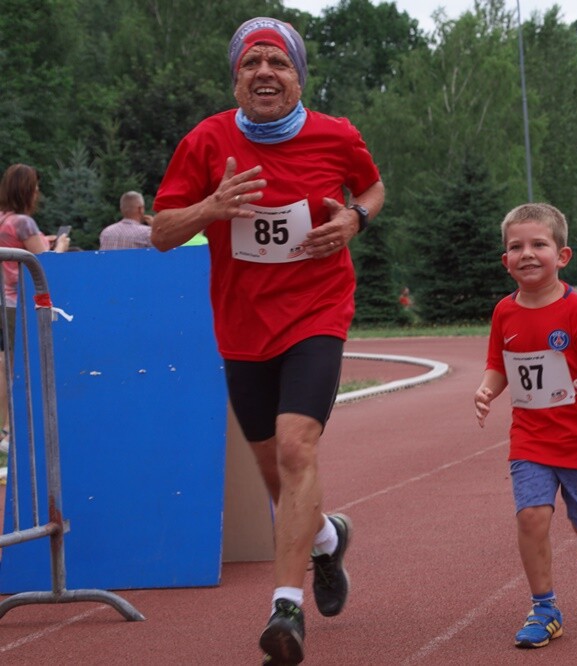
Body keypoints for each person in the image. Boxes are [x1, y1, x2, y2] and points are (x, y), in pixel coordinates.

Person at [150, 17, 385, 665]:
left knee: (294, 447)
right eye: (251, 62)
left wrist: (355, 218)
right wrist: (210, 208)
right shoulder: (205, 141)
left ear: (298, 77)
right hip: (242, 325)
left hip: (317, 311)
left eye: (278, 62)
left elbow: (372, 186)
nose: (264, 72)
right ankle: (326, 541)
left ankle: (286, 606)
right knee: (274, 475)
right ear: (235, 78)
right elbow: (162, 233)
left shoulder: (336, 136)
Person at [473, 203, 577, 650]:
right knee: (531, 516)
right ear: (505, 260)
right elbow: (499, 363)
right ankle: (544, 608)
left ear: (562, 256)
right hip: (531, 438)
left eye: (539, 244)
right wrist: (486, 389)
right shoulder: (504, 312)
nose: (527, 253)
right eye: (516, 246)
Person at [0, 164, 70, 455]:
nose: (38, 192)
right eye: (36, 187)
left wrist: (44, 241)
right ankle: (14, 432)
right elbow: (45, 264)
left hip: (4, 300)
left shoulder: (4, 220)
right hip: (23, 302)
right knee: (23, 367)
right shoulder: (24, 223)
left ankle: (5, 429)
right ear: (27, 190)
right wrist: (61, 246)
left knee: (6, 365)